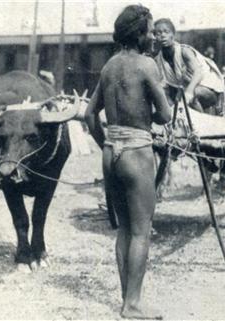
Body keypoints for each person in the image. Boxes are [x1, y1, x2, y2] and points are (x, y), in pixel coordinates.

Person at [84, 5, 171, 320]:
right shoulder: (146, 65)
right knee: (141, 231)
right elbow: (165, 115)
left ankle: (127, 300)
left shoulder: (109, 66)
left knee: (124, 230)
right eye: (149, 31)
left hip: (111, 152)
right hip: (136, 152)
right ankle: (132, 305)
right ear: (139, 34)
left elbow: (88, 114)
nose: (152, 36)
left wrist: (106, 143)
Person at [153, 18, 225, 115]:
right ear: (155, 37)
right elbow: (163, 85)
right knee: (169, 97)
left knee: (189, 95)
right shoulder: (159, 59)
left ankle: (202, 124)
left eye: (166, 32)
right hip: (186, 91)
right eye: (158, 33)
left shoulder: (184, 51)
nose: (162, 35)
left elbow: (198, 72)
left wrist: (189, 92)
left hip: (210, 91)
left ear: (173, 35)